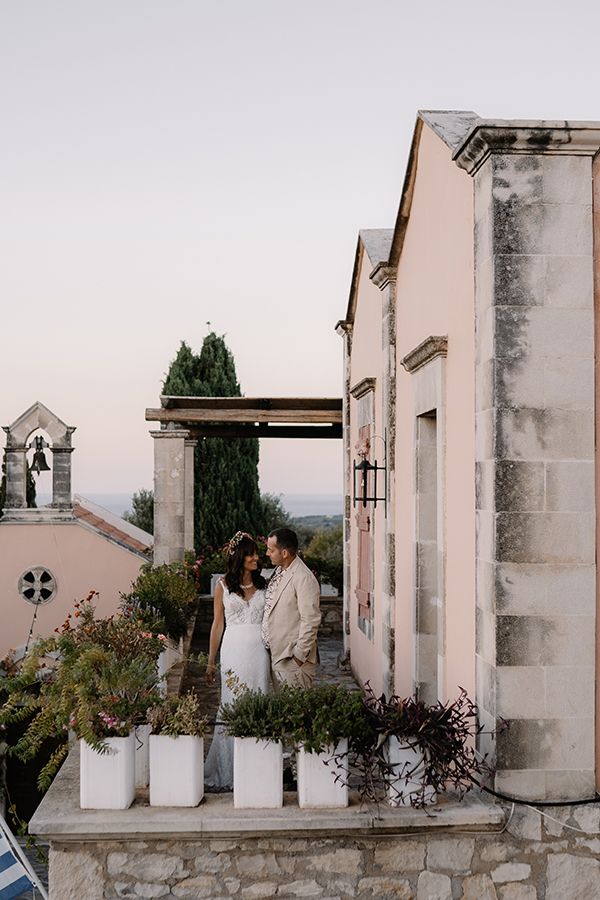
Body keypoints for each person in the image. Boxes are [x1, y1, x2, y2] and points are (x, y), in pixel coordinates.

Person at [204, 531, 271, 791]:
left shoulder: (265, 583)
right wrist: (211, 661)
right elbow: (217, 624)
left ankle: (260, 764)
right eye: (251, 553)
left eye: (256, 553)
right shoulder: (222, 587)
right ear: (239, 557)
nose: (256, 557)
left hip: (259, 652)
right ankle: (229, 767)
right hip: (233, 652)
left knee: (261, 699)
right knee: (232, 703)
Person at [262, 527, 321, 688]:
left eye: (271, 550)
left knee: (295, 712)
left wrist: (298, 657)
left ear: (285, 553)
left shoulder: (304, 577)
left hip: (291, 660)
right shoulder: (278, 571)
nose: (267, 554)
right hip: (276, 655)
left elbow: (311, 620)